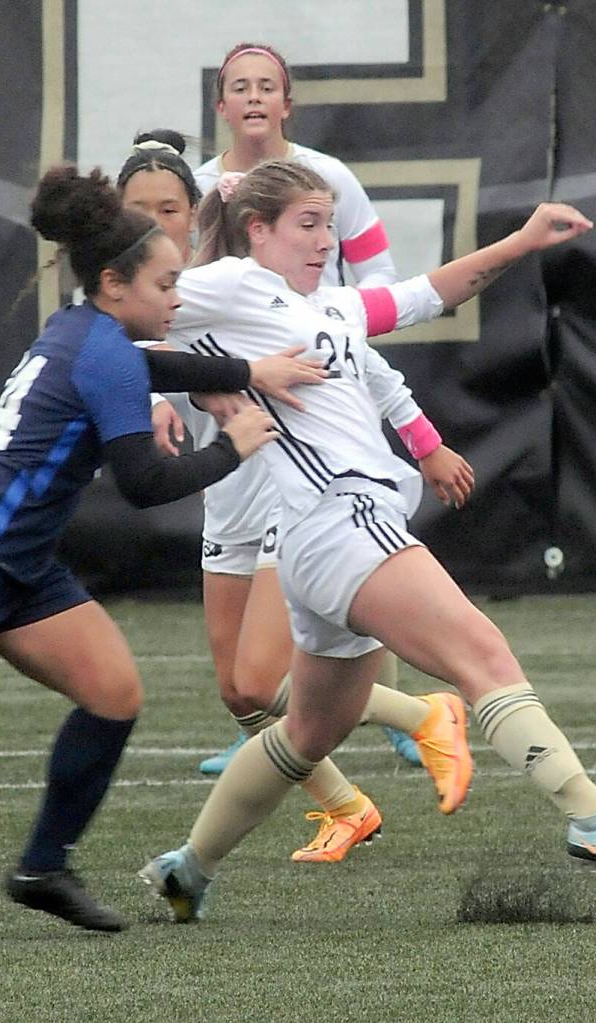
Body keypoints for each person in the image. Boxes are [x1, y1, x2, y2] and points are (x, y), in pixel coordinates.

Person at [138, 160, 596, 924]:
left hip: (317, 538)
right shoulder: (234, 282)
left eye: (328, 224)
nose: (323, 238)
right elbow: (109, 333)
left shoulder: (329, 304)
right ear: (256, 228)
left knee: (308, 730)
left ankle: (188, 866)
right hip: (343, 519)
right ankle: (594, 818)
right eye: (306, 223)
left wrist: (523, 241)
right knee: (484, 656)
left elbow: (429, 293)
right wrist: (189, 385)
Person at [0, 163, 325, 932]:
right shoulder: (100, 350)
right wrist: (233, 443)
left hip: (19, 565)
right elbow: (141, 482)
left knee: (113, 694)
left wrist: (245, 370)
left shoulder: (85, 331)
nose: (176, 300)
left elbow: (151, 363)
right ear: (114, 282)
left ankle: (42, 866)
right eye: (166, 285)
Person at [119, 135, 475, 864]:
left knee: (262, 675)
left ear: (195, 210)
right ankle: (350, 805)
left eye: (167, 207)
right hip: (229, 488)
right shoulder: (136, 288)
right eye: (136, 210)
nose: (154, 220)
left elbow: (362, 361)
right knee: (241, 692)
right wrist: (153, 388)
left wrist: (423, 439)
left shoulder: (246, 280)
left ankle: (423, 716)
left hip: (294, 489)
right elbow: (113, 353)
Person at [191, 42, 422, 773]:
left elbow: (382, 279)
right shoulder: (200, 187)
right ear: (221, 106)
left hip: (310, 403)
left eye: (268, 86)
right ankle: (274, 717)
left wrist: (319, 323)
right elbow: (171, 302)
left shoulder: (332, 178)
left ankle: (387, 710)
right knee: (242, 668)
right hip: (233, 412)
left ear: (287, 103)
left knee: (321, 567)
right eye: (239, 87)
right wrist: (175, 393)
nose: (254, 97)